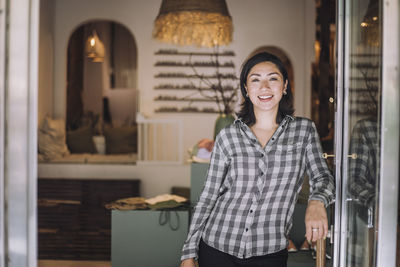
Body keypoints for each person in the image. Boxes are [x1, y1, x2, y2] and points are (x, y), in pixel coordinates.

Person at [180, 52, 335, 267]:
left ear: (285, 86)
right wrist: (188, 253)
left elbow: (324, 178)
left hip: (269, 253)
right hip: (216, 247)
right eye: (255, 80)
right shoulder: (228, 135)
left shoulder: (304, 131)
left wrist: (317, 202)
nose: (264, 87)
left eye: (273, 78)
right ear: (246, 88)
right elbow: (208, 197)